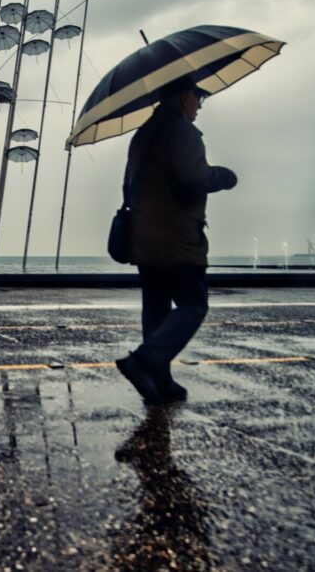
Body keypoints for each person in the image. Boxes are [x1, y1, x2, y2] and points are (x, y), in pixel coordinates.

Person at [115, 75, 237, 405]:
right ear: (185, 96)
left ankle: (160, 380)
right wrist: (224, 176)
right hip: (176, 238)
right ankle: (145, 361)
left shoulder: (144, 134)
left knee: (155, 308)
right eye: (199, 98)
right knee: (194, 304)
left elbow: (130, 185)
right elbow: (194, 177)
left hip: (146, 238)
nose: (199, 105)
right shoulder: (181, 130)